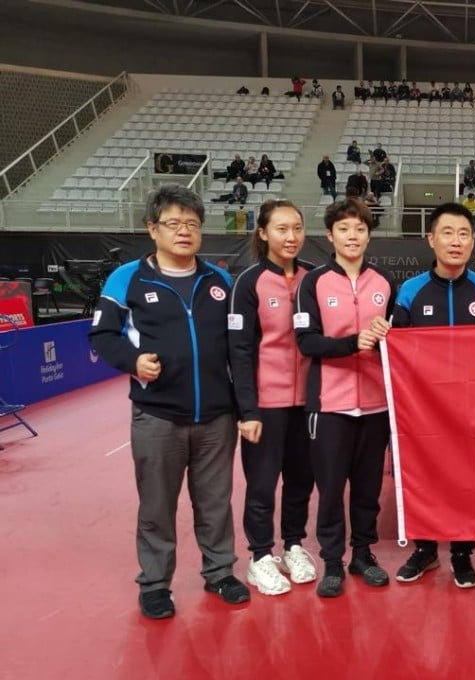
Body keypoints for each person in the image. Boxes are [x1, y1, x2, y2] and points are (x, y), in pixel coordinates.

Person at [89, 184, 250, 619]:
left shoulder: (219, 281)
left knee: (215, 503)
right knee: (157, 505)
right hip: (157, 415)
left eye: (192, 224)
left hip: (217, 416)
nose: (184, 232)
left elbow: (239, 346)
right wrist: (134, 361)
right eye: (174, 223)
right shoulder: (127, 278)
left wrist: (243, 407)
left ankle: (219, 573)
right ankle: (155, 583)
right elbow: (102, 335)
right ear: (152, 229)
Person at [391, 203, 475, 589]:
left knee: (467, 481)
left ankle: (461, 553)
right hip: (423, 407)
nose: (456, 241)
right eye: (448, 233)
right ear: (431, 239)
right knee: (424, 479)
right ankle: (425, 550)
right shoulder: (409, 291)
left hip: (472, 406)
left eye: (464, 234)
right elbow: (394, 347)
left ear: (473, 242)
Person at [294, 199, 397, 598]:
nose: (352, 236)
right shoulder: (314, 282)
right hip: (330, 405)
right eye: (344, 229)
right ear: (330, 235)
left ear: (369, 234)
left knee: (369, 488)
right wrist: (354, 343)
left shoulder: (385, 281)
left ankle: (363, 554)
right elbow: (307, 342)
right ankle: (333, 561)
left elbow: (401, 340)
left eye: (359, 229)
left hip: (376, 403)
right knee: (332, 487)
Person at [229, 199, 317, 597]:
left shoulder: (314, 278)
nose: (291, 236)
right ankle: (260, 555)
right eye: (281, 229)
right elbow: (240, 351)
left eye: (297, 228)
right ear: (263, 233)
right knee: (262, 484)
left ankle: (294, 545)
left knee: (301, 481)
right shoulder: (248, 283)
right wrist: (247, 410)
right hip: (265, 403)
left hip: (310, 403)